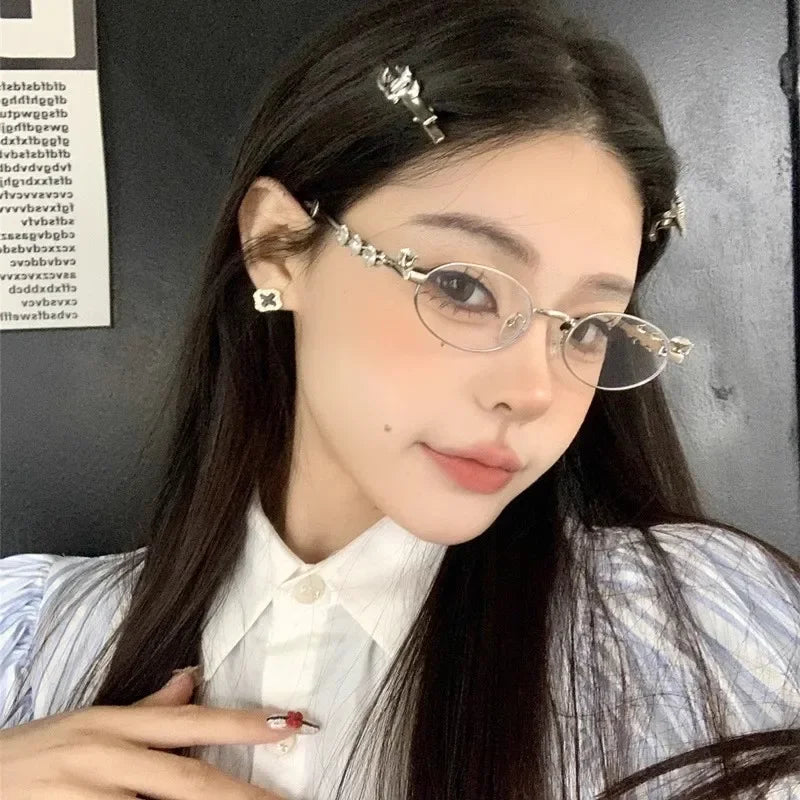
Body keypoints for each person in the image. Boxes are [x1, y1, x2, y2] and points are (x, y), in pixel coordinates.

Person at [1, 0, 798, 798]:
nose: (532, 391)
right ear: (277, 245)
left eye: (589, 327)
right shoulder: (44, 641)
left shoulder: (689, 630)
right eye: (462, 287)